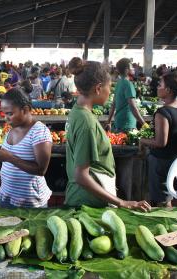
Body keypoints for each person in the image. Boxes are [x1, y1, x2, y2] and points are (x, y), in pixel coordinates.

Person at [64, 57, 150, 211]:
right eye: (109, 87)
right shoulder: (87, 123)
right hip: (89, 203)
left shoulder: (76, 113)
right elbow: (81, 176)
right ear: (98, 88)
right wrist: (122, 202)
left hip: (84, 198)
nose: (110, 92)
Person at [139, 71, 177, 206]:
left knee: (161, 199)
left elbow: (161, 142)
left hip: (163, 162)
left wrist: (142, 141)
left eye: (160, 84)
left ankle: (162, 214)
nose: (157, 87)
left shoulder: (163, 113)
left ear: (168, 90)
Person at [0, 88, 52, 208]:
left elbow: (41, 170)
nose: (6, 118)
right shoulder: (12, 129)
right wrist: (0, 155)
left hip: (30, 203)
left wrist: (9, 158)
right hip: (7, 196)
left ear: (25, 110)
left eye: (10, 113)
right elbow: (11, 156)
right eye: (4, 113)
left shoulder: (39, 132)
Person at [106, 58, 147, 132]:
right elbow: (132, 106)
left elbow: (113, 104)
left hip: (118, 122)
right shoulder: (128, 84)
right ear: (126, 69)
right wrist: (144, 124)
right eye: (131, 67)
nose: (133, 68)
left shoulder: (119, 83)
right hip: (127, 124)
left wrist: (108, 122)